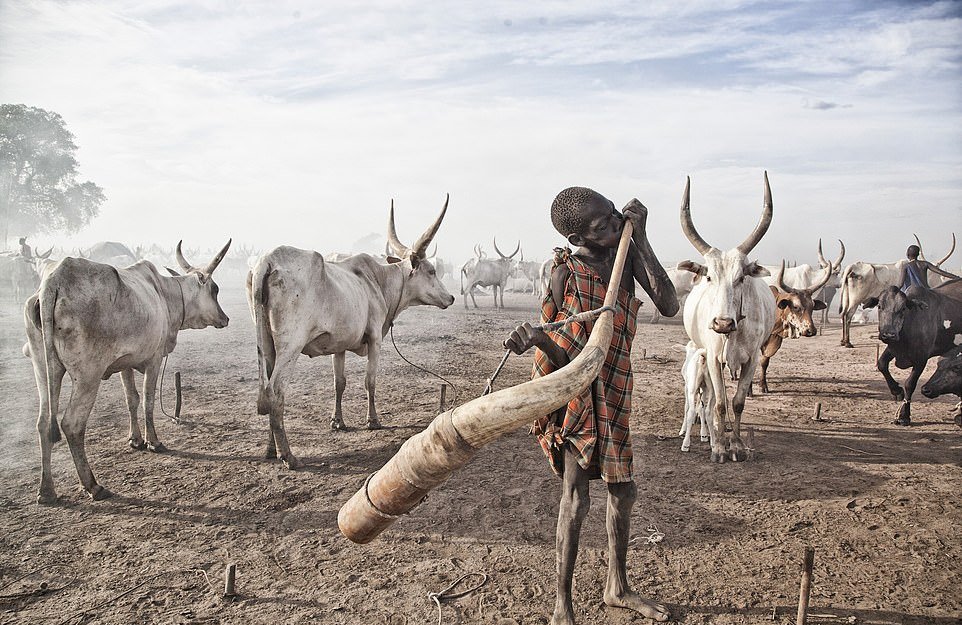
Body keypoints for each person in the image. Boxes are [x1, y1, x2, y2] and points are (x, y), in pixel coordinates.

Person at [504, 187, 678, 625]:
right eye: (603, 226)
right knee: (575, 497)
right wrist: (539, 338)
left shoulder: (627, 255)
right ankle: (563, 605)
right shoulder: (565, 273)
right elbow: (567, 359)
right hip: (577, 396)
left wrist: (643, 240)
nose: (615, 225)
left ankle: (617, 586)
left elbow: (670, 304)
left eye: (614, 216)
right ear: (577, 235)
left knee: (624, 490)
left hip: (617, 387)